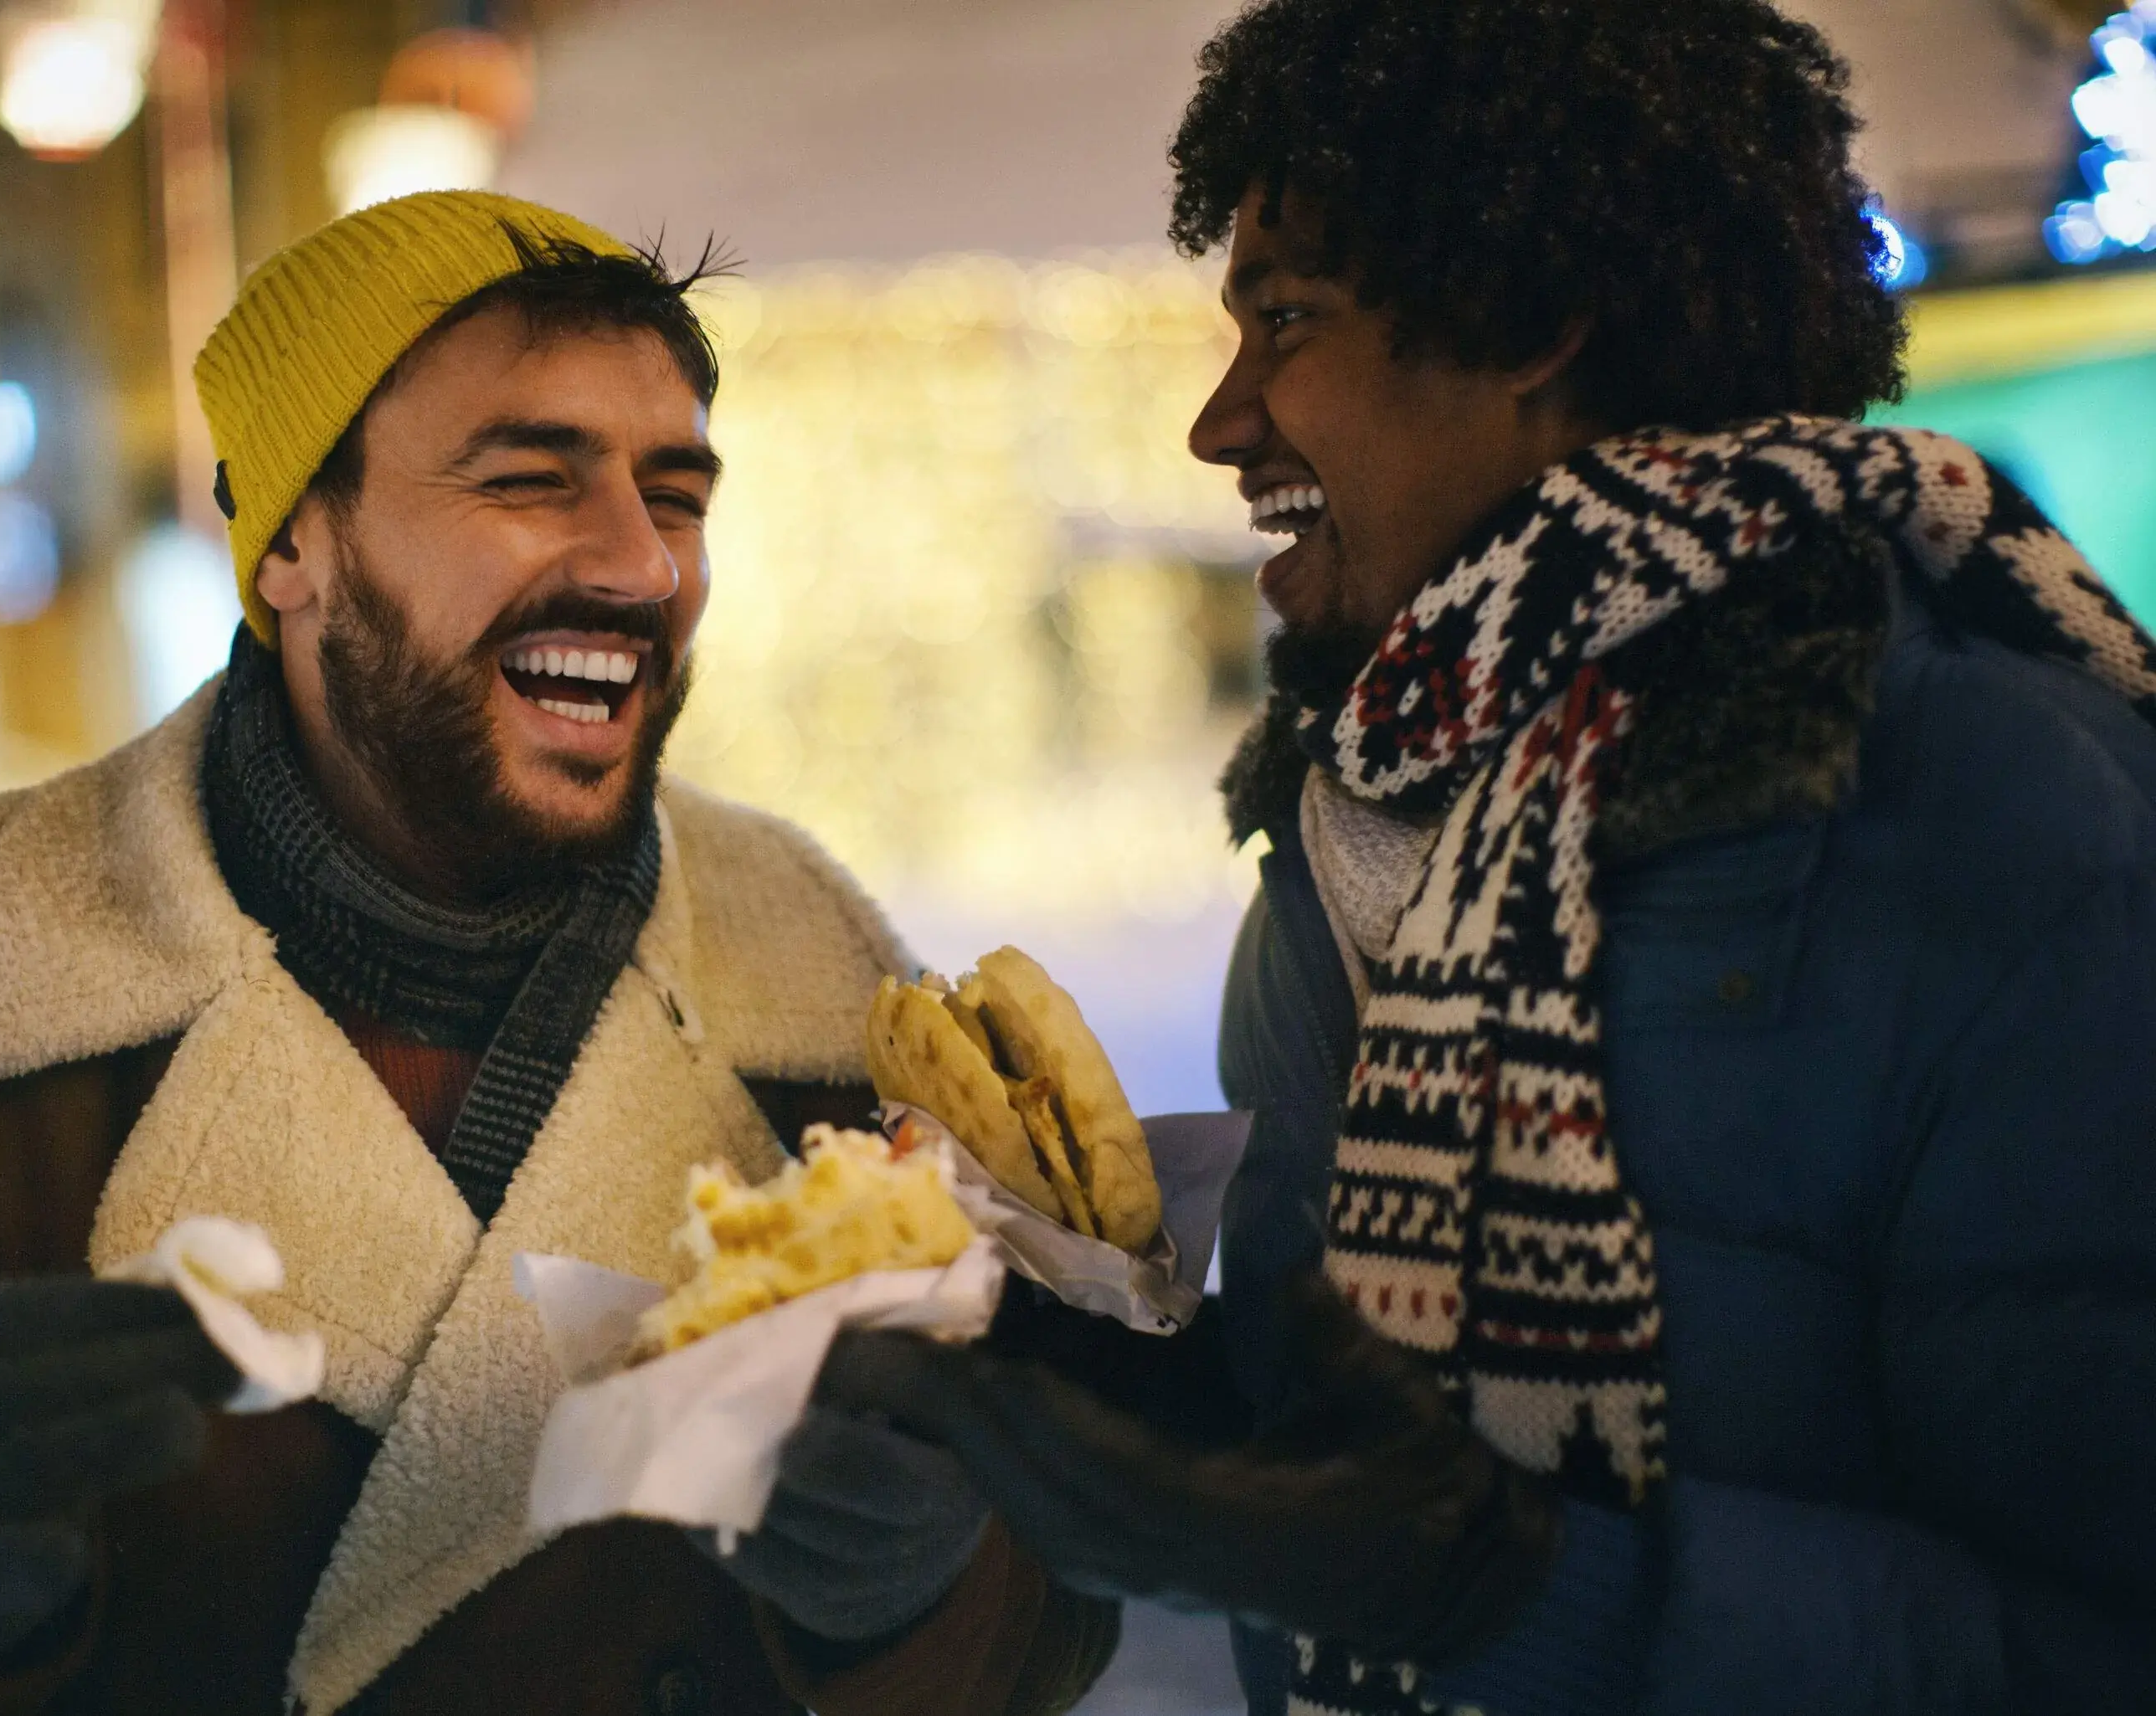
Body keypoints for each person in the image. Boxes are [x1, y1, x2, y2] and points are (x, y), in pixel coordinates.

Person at [820, 4, 2156, 1713]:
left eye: (1287, 320)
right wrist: (1149, 1402)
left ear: (1533, 318)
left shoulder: (2001, 819)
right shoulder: (1355, 837)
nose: (1218, 423)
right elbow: (1377, 1438)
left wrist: (1523, 1586)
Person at [0, 193, 1114, 1716]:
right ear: (293, 538)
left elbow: (1060, 1620)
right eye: (531, 479)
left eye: (675, 497)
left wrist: (917, 1587)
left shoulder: (843, 1017)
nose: (640, 566)